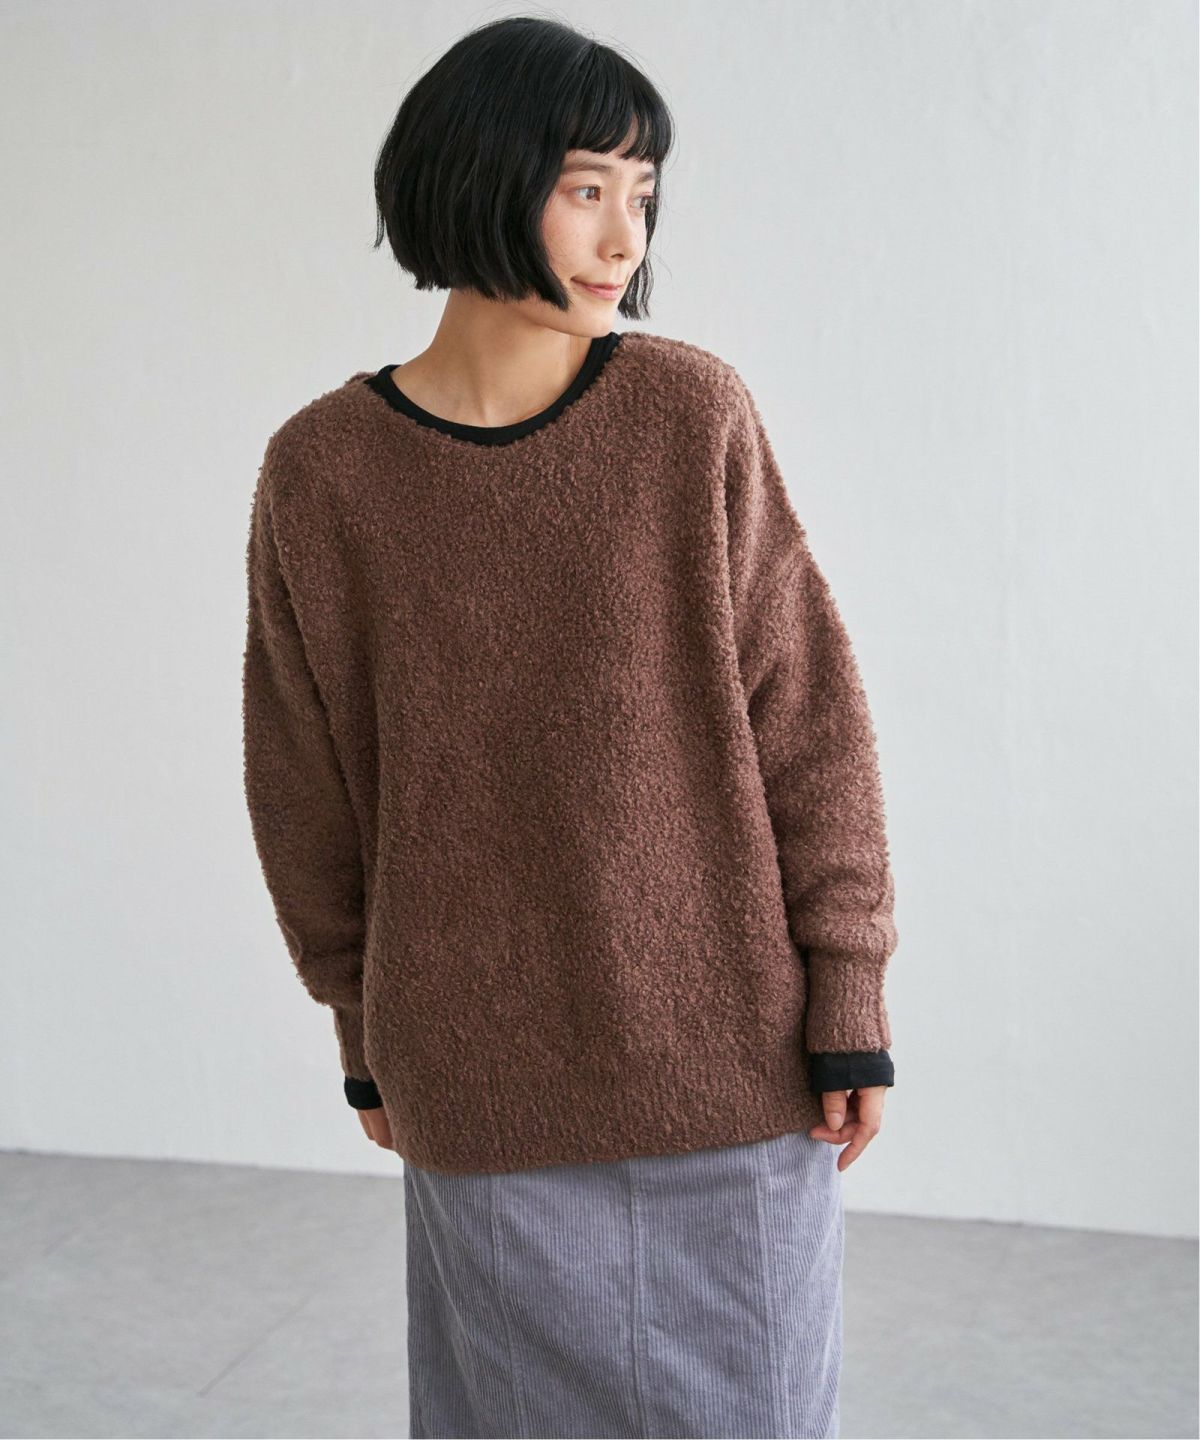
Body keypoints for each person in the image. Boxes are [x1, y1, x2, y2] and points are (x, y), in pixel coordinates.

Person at [241, 15, 898, 1440]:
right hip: (478, 1083)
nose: (623, 236)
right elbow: (306, 786)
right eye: (586, 187)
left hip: (730, 1070)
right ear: (478, 176)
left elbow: (810, 724)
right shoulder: (324, 473)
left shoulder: (688, 416)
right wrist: (361, 1028)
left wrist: (848, 994)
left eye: (641, 193)